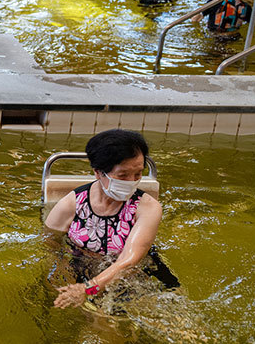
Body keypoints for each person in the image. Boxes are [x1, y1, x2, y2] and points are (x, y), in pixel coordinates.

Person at [43, 129, 177, 310]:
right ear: (98, 172)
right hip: (82, 268)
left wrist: (88, 289)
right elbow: (50, 243)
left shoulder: (147, 208)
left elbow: (130, 260)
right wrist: (62, 270)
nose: (132, 181)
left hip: (135, 275)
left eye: (138, 174)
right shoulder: (71, 204)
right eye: (122, 176)